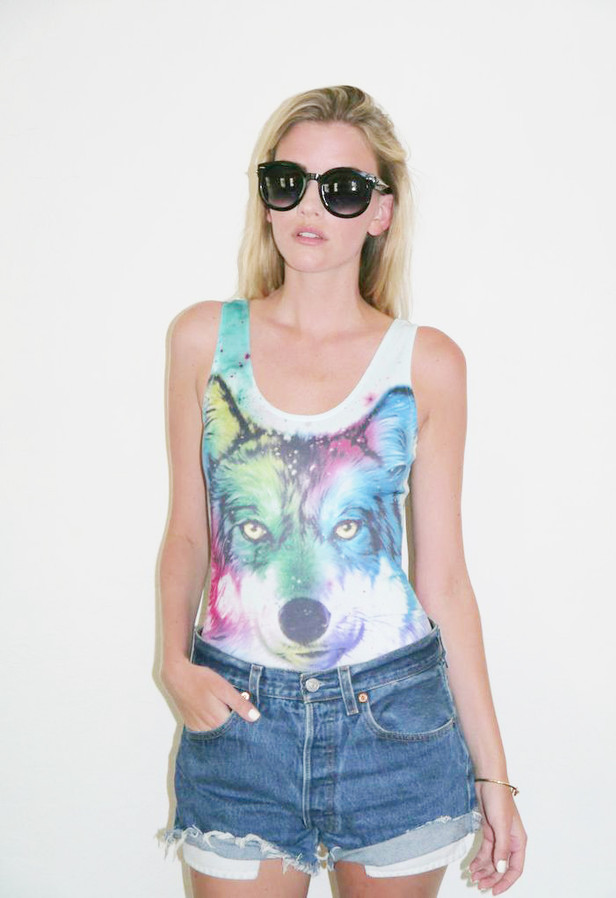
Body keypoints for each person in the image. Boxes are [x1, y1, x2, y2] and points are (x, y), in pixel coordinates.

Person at [157, 84, 527, 898]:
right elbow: (187, 532)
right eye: (287, 181)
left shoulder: (426, 363)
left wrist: (494, 777)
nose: (309, 206)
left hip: (393, 723)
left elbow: (444, 580)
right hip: (239, 723)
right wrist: (173, 662)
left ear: (380, 211)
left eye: (343, 188)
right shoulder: (203, 340)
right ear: (264, 194)